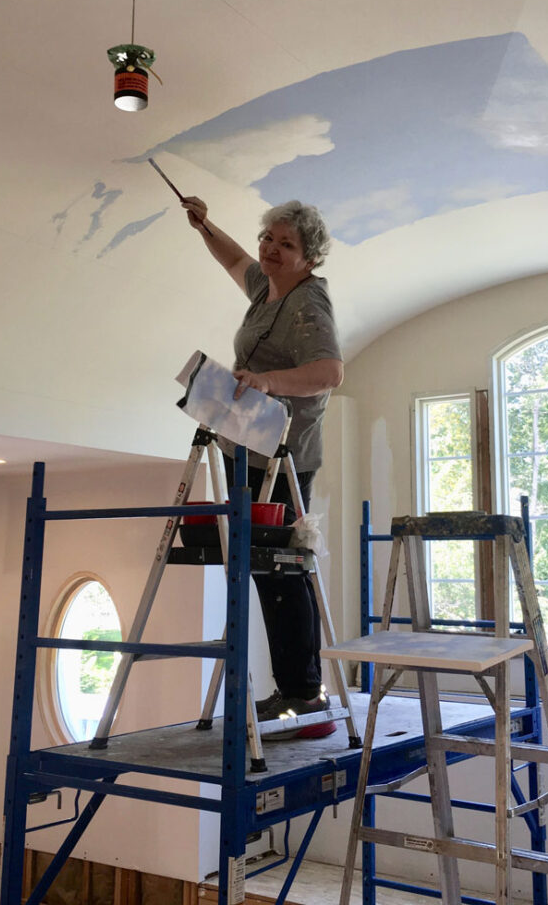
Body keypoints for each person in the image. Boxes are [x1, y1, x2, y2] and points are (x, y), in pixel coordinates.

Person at [181, 194, 342, 738]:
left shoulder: (307, 304)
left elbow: (329, 372)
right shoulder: (269, 288)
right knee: (261, 568)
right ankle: (295, 689)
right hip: (246, 442)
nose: (271, 251)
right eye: (268, 239)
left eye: (286, 245)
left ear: (310, 258)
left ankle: (305, 695)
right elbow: (234, 261)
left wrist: (271, 382)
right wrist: (205, 225)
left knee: (282, 572)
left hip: (283, 456)